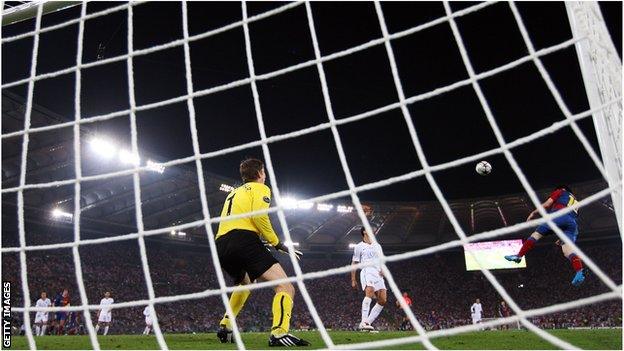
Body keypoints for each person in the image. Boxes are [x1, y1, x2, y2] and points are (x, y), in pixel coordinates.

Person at [215, 158, 309, 347]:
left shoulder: (234, 192)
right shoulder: (261, 188)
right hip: (243, 240)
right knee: (285, 287)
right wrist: (277, 243)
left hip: (221, 243)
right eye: (264, 172)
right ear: (259, 174)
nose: (265, 175)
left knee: (245, 283)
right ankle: (279, 333)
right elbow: (259, 216)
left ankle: (226, 325)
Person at [505, 185, 586, 286]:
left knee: (536, 235)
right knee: (568, 252)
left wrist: (534, 213)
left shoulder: (561, 191)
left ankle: (519, 256)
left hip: (557, 216)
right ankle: (579, 271)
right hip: (571, 224)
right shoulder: (576, 202)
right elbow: (572, 223)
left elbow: (547, 204)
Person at [351, 226, 387, 331]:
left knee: (383, 300)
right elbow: (354, 263)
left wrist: (383, 269)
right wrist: (353, 279)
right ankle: (363, 322)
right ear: (364, 232)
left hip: (378, 273)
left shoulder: (378, 246)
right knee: (370, 292)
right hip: (367, 270)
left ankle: (367, 322)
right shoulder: (359, 246)